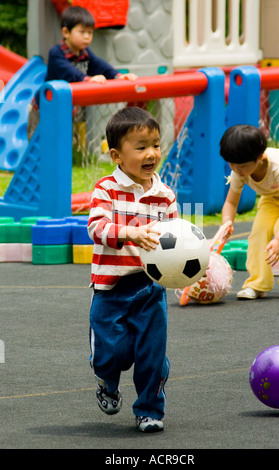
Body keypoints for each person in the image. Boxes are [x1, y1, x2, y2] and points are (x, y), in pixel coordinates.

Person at [87, 107, 178, 432]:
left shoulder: (164, 195)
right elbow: (96, 228)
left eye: (155, 144)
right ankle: (107, 380)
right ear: (117, 155)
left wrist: (190, 270)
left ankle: (149, 410)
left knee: (152, 354)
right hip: (111, 289)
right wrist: (130, 232)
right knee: (112, 353)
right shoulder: (106, 189)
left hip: (151, 288)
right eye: (140, 147)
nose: (151, 153)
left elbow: (175, 242)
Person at [27, 6, 136, 140]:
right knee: (38, 140)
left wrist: (118, 75)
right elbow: (69, 72)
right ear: (66, 32)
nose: (87, 37)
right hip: (43, 108)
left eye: (90, 32)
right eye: (82, 32)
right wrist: (87, 79)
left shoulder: (85, 53)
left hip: (64, 107)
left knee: (62, 139)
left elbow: (100, 65)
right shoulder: (56, 53)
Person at [220, 124, 279, 300]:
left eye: (243, 166)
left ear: (260, 157)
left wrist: (278, 239)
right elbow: (231, 203)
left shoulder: (278, 167)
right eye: (232, 164)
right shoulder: (238, 171)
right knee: (257, 235)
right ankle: (257, 283)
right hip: (271, 198)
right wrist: (226, 223)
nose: (237, 170)